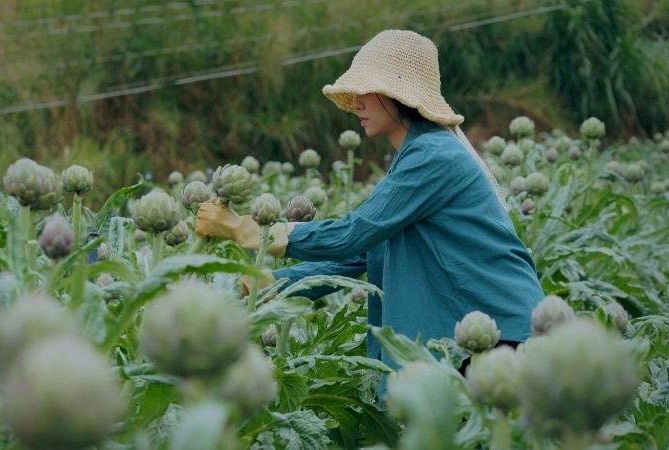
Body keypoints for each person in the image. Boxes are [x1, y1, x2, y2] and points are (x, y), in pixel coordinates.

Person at [195, 29, 544, 376]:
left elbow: (355, 234)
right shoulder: (416, 155)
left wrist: (246, 230)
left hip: (500, 330)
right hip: (480, 330)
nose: (357, 102)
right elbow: (365, 254)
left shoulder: (432, 155)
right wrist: (278, 282)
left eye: (366, 90)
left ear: (398, 94)